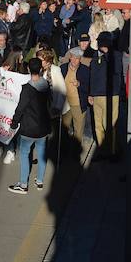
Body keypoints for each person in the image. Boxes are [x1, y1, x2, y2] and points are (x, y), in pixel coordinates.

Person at [8, 58, 52, 194]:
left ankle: (23, 184)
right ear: (41, 69)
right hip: (43, 127)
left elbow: (20, 108)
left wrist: (13, 124)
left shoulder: (27, 89)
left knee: (24, 154)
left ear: (28, 70)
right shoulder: (46, 85)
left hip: (28, 128)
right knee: (42, 154)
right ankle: (39, 181)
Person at [89, 31, 123, 160]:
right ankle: (102, 150)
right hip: (97, 95)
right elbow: (93, 75)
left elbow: (116, 72)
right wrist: (91, 93)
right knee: (98, 125)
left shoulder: (115, 56)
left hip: (111, 95)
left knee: (110, 125)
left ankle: (112, 151)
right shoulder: (95, 56)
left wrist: (106, 54)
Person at [61, 48, 90, 151]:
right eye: (73, 57)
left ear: (80, 59)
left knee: (78, 129)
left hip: (78, 103)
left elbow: (89, 87)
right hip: (65, 103)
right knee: (64, 128)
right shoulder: (63, 68)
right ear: (70, 58)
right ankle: (63, 148)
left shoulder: (85, 70)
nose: (74, 60)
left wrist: (79, 84)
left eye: (77, 58)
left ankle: (76, 151)